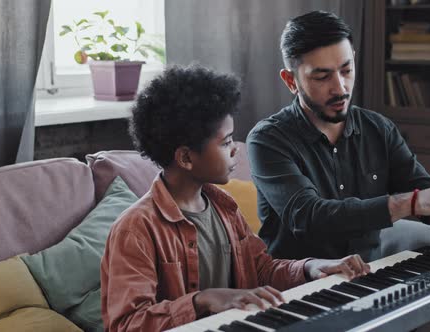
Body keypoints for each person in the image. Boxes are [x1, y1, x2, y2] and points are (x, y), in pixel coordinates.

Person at [246, 11, 430, 332]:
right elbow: (310, 216)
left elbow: (427, 192)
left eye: (347, 70)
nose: (340, 87)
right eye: (322, 77)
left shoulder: (378, 129)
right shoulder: (268, 139)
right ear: (291, 80)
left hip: (377, 287)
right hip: (307, 298)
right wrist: (411, 203)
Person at [100, 64, 370, 331]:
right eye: (226, 142)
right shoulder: (135, 229)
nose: (235, 151)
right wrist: (201, 300)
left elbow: (261, 271)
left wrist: (312, 267)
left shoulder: (224, 207)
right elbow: (126, 324)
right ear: (185, 157)